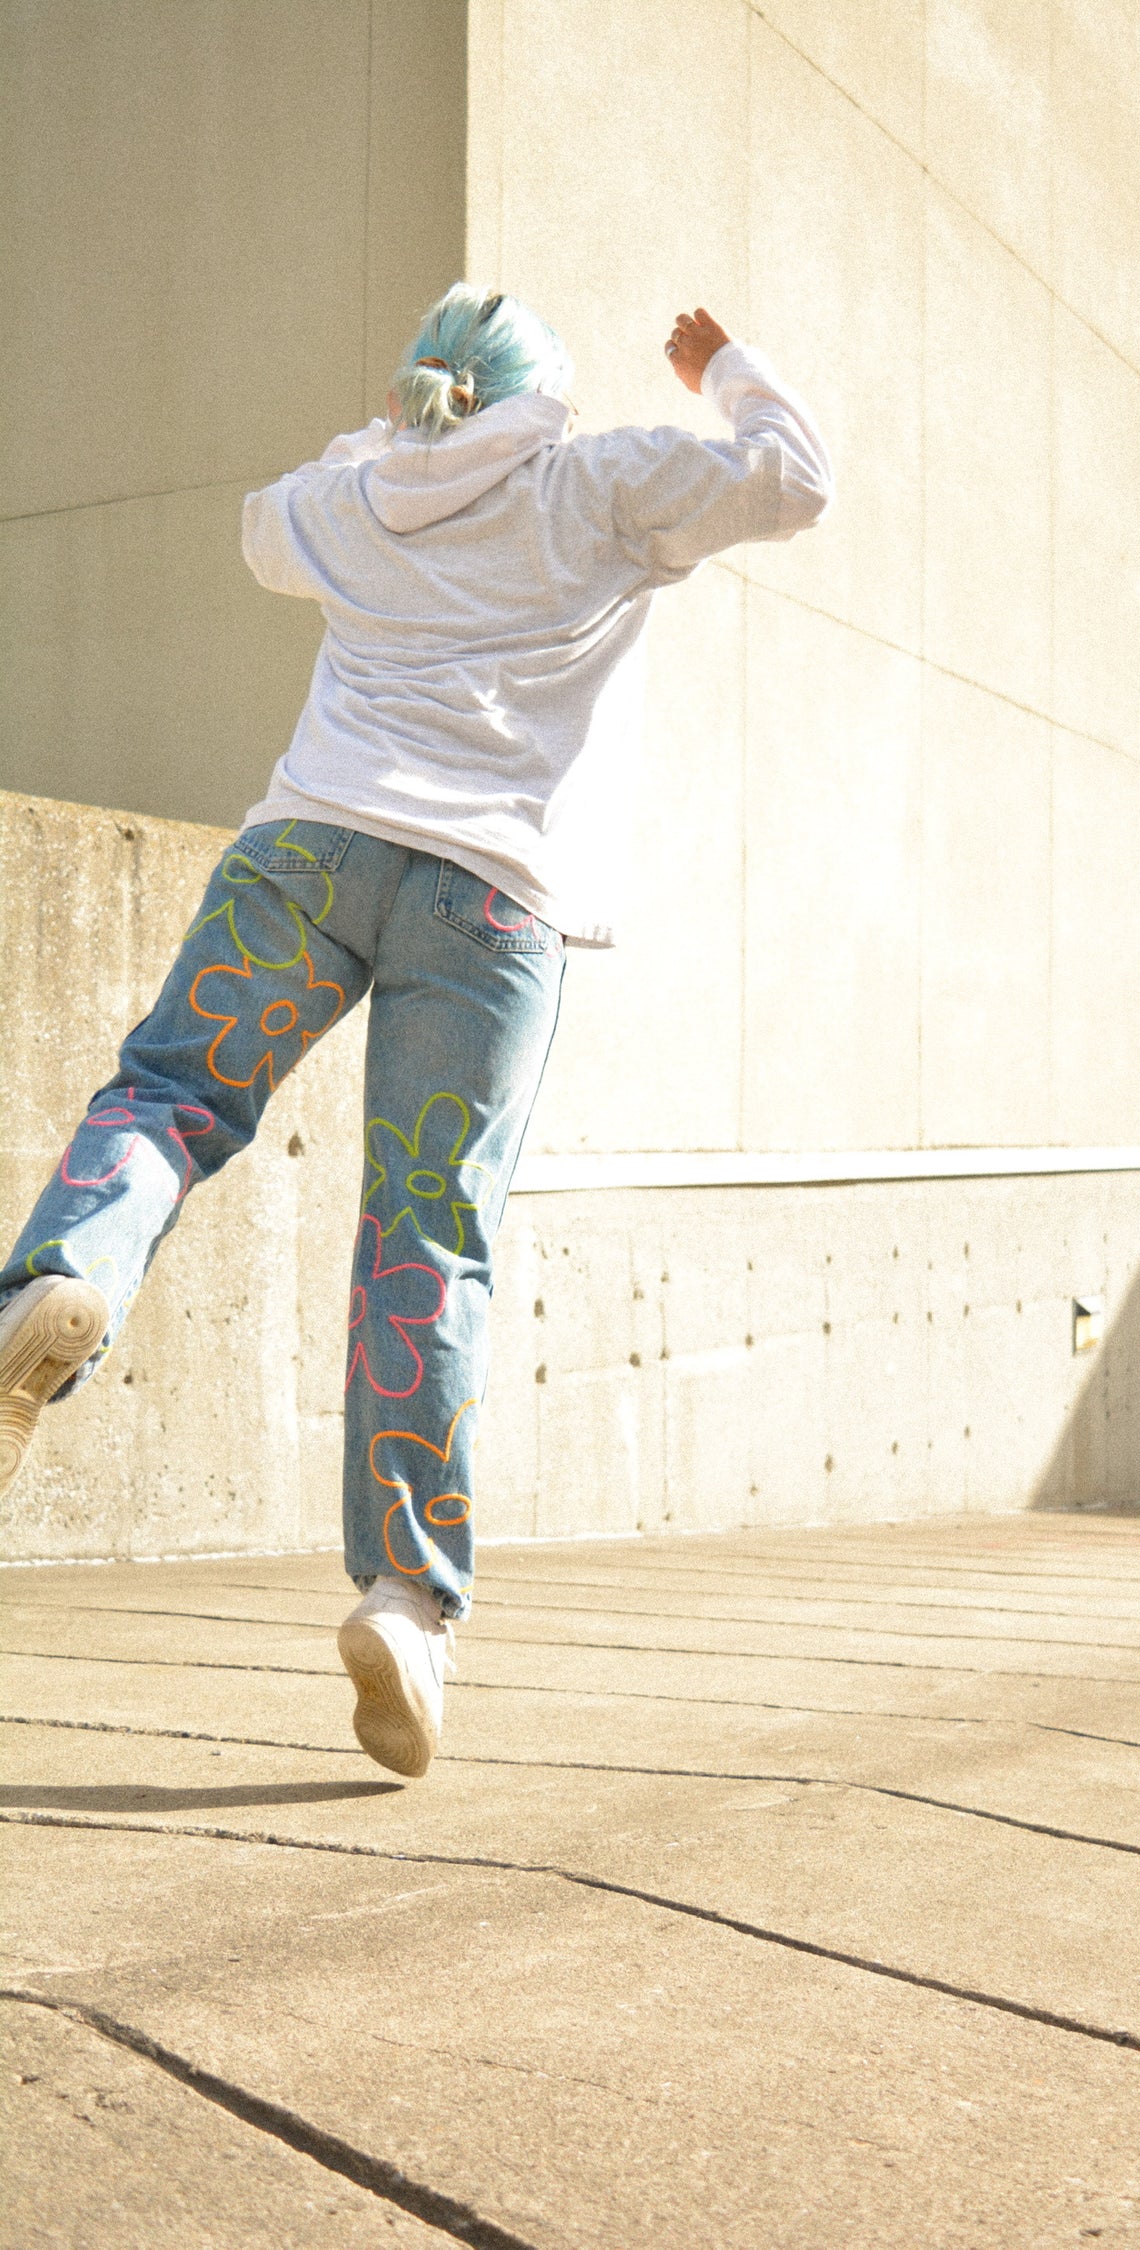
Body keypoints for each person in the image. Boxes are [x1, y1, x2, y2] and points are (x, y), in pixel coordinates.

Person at [0, 287, 832, 1777]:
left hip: (306, 858)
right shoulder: (599, 480)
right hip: (490, 907)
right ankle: (403, 1599)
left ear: (415, 395)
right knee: (423, 1238)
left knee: (174, 1097)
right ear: (544, 397)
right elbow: (797, 477)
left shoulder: (355, 497)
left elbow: (266, 522)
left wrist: (387, 440)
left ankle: (68, 1272)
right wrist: (725, 372)